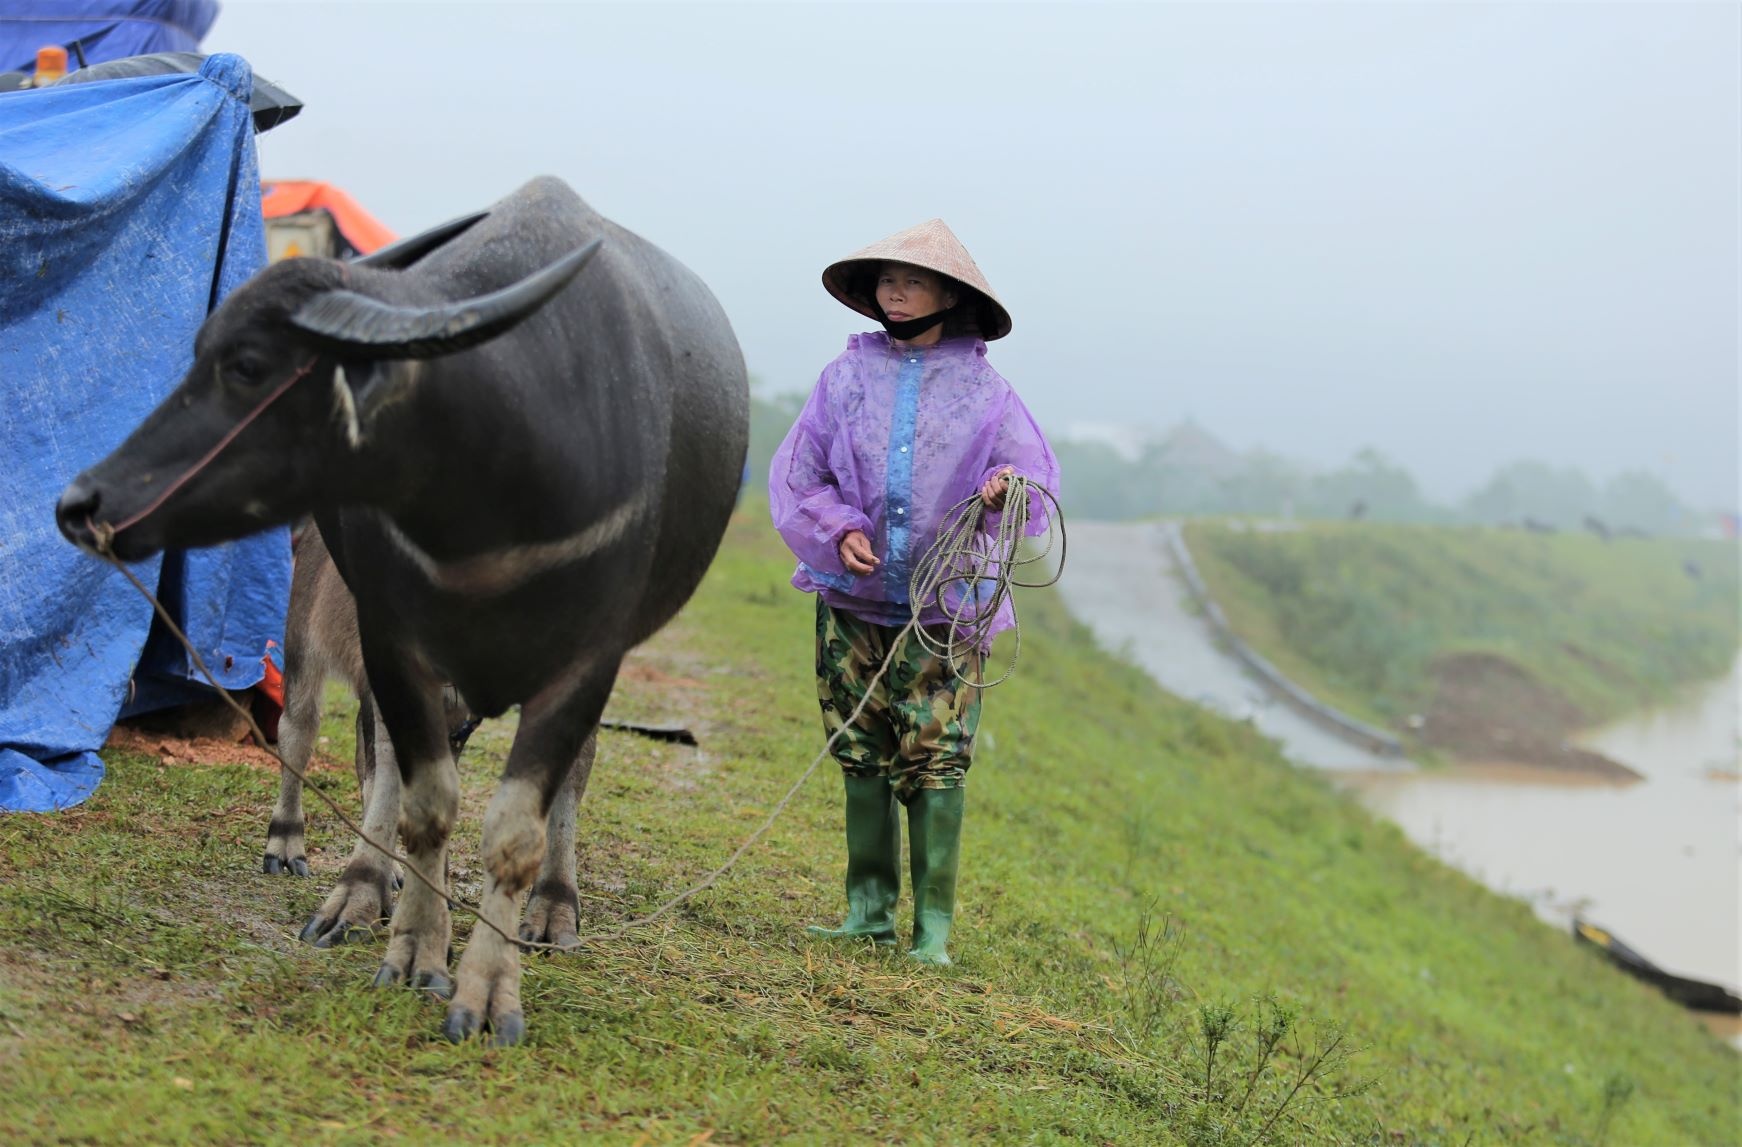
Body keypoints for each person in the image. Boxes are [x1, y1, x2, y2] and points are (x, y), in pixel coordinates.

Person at [768, 219, 1060, 966]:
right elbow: (802, 475)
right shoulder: (843, 380)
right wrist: (837, 529)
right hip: (854, 601)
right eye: (887, 281)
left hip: (945, 611)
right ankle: (867, 909)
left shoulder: (987, 391)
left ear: (949, 296)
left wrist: (1003, 489)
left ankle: (931, 928)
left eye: (913, 281)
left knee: (937, 757)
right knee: (859, 747)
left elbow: (1033, 483)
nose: (896, 293)